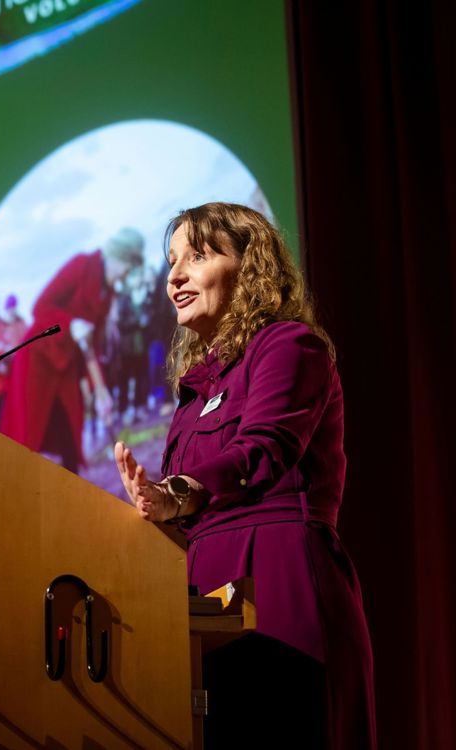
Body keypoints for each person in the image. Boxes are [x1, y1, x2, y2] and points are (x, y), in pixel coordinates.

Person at [114, 202, 375, 748]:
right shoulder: (193, 394)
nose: (174, 277)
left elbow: (263, 449)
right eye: (171, 262)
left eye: (196, 257)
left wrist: (174, 494)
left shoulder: (289, 345)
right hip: (201, 601)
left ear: (249, 265)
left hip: (277, 579)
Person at [0, 227, 144, 470]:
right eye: (128, 267)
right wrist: (69, 324)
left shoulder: (107, 294)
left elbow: (92, 347)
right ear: (117, 256)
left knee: (68, 433)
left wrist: (101, 392)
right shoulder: (81, 266)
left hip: (66, 369)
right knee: (29, 435)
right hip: (38, 362)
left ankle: (70, 485)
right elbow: (40, 307)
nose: (126, 274)